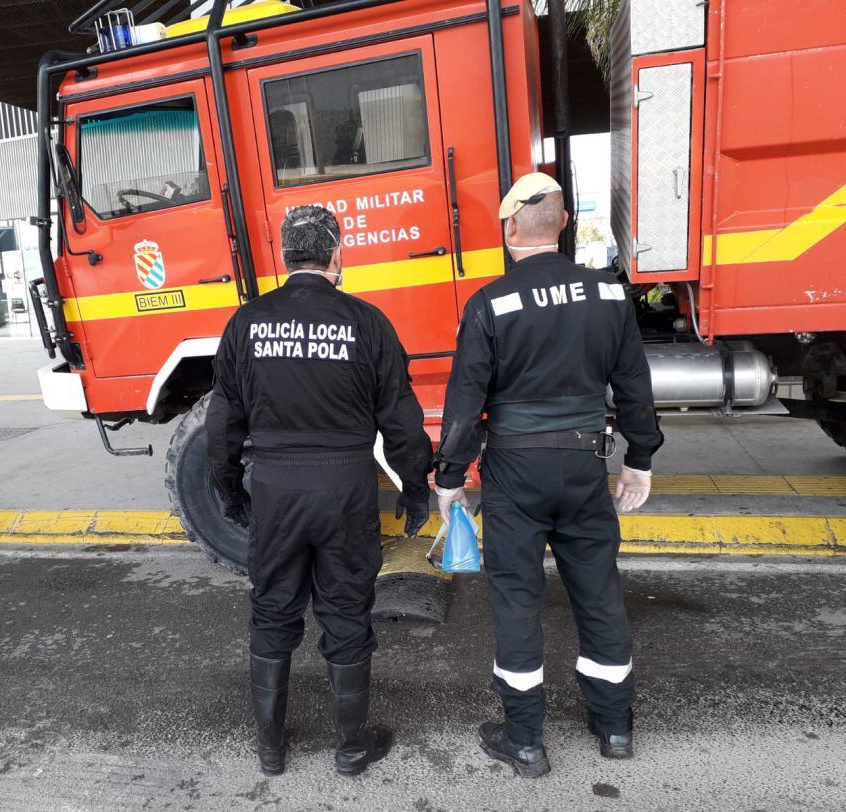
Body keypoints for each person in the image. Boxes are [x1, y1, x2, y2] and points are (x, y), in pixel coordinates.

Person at [433, 172, 664, 778]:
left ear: (510, 229)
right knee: (597, 592)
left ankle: (526, 740)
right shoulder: (610, 296)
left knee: (516, 598)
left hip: (515, 470)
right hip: (587, 463)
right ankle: (614, 727)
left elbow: (465, 403)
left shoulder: (489, 304)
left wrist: (450, 477)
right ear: (564, 224)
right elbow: (635, 388)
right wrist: (639, 459)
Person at [206, 205, 433, 777]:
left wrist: (230, 488)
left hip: (277, 489)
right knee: (347, 609)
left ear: (286, 256)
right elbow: (400, 417)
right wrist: (414, 486)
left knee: (273, 608)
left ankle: (271, 750)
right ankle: (352, 749)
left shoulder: (247, 322)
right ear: (336, 256)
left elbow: (222, 421)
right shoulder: (367, 321)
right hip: (346, 490)